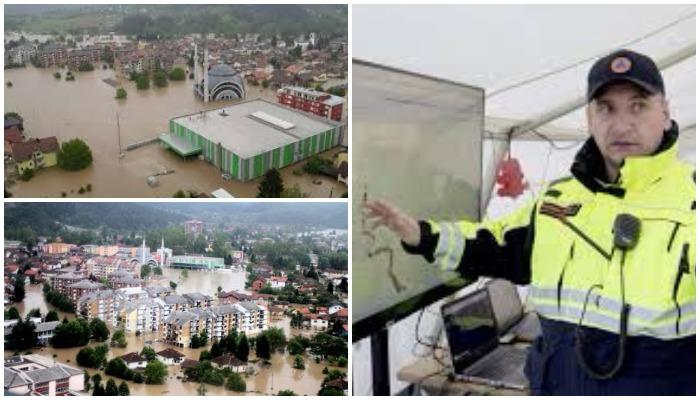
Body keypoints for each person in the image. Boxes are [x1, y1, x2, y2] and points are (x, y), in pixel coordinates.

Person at [363, 49, 695, 395]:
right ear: (589, 117)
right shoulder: (557, 201)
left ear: (666, 111)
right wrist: (421, 235)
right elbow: (493, 243)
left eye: (638, 105)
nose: (622, 124)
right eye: (606, 108)